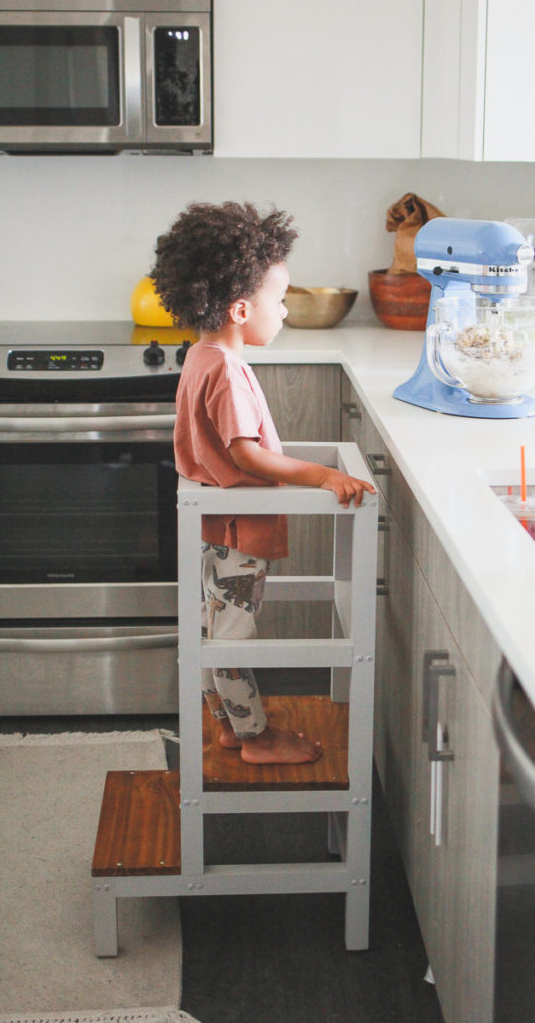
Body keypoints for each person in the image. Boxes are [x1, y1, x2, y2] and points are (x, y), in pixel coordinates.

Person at [152, 201, 376, 765]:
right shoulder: (227, 372)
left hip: (212, 524)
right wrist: (322, 475)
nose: (283, 310)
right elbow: (246, 455)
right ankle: (255, 738)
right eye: (279, 301)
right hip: (237, 530)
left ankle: (230, 725)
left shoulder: (202, 356)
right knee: (231, 636)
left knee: (213, 628)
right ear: (241, 308)